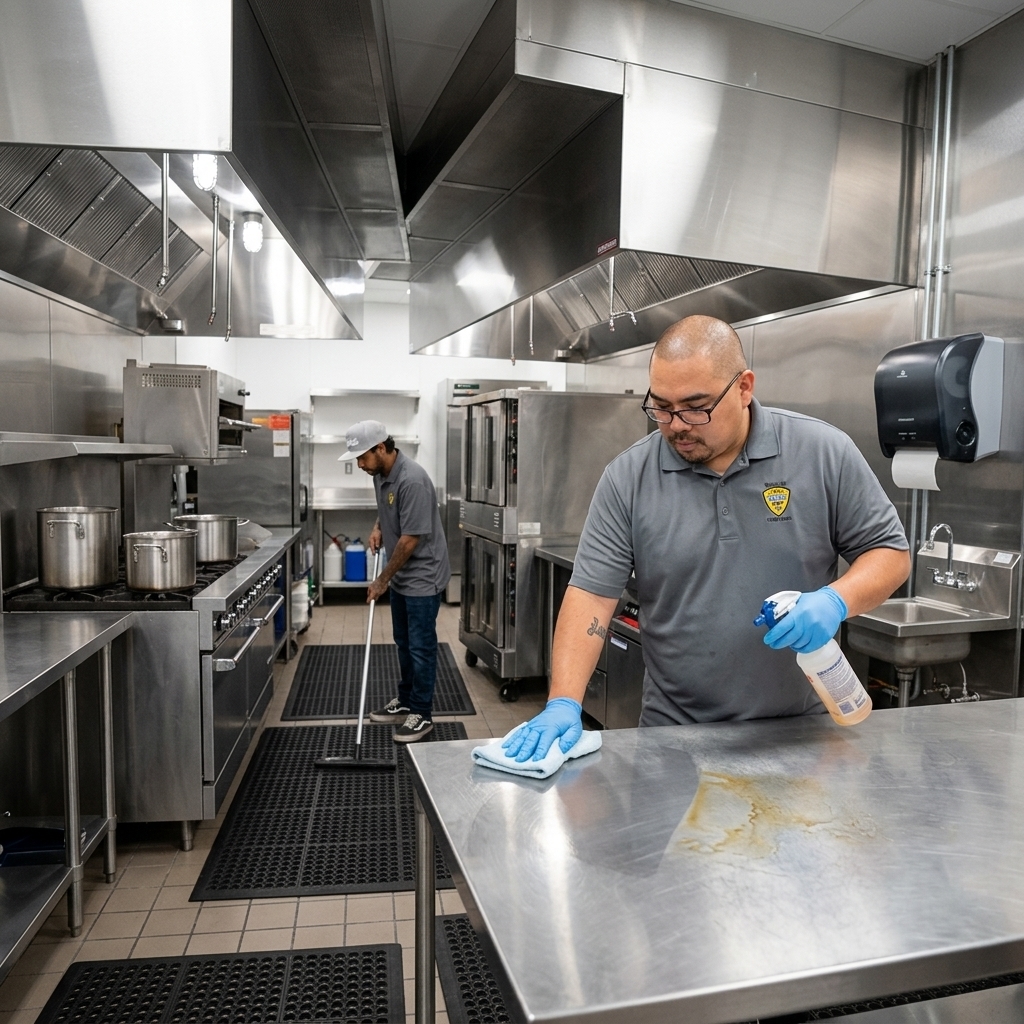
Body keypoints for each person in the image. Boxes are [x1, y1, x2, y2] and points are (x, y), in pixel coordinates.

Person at [505, 315, 911, 762]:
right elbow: (591, 597)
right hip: (673, 736)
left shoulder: (822, 453)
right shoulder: (629, 478)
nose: (676, 424)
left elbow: (890, 553)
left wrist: (836, 600)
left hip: (801, 733)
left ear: (744, 388)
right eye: (661, 406)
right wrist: (564, 701)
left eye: (696, 406)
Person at [338, 420, 451, 743]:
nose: (359, 464)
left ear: (381, 449)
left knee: (421, 647)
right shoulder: (381, 473)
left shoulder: (412, 480)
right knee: (403, 642)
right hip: (402, 574)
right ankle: (405, 700)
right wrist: (377, 527)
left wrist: (381, 581)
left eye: (362, 457)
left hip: (422, 576)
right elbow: (389, 511)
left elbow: (409, 541)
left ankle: (422, 713)